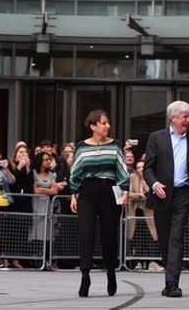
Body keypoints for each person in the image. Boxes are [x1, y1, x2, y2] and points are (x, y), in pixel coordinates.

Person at [144, 100, 189, 298]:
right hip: (162, 195)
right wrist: (154, 184)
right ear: (173, 118)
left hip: (184, 194)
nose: (188, 120)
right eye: (185, 117)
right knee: (165, 241)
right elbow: (147, 168)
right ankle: (168, 279)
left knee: (176, 238)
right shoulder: (156, 138)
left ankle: (172, 283)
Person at [69, 110, 129, 298]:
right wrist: (73, 194)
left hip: (110, 191)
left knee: (108, 236)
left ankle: (111, 272)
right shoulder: (81, 147)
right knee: (86, 233)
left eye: (108, 123)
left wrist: (125, 191)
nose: (107, 126)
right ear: (93, 126)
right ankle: (85, 276)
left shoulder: (115, 145)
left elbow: (122, 170)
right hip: (87, 191)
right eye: (103, 123)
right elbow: (75, 172)